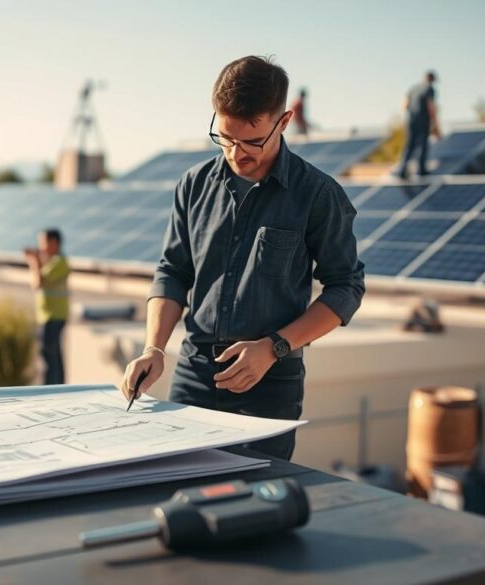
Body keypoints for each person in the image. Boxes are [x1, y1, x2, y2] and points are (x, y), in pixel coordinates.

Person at [119, 55, 365, 460]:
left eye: (253, 141)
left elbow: (346, 287)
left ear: (283, 123)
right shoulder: (193, 185)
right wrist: (154, 349)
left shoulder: (318, 195)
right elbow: (173, 271)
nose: (237, 153)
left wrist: (274, 347)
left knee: (256, 507)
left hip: (270, 384)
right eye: (225, 138)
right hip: (195, 373)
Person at [24, 229, 70, 385]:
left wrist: (33, 262)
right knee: (54, 356)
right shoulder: (52, 261)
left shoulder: (59, 262)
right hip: (50, 315)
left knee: (49, 357)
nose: (40, 247)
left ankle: (50, 388)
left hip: (53, 317)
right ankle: (58, 386)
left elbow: (37, 283)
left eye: (43, 242)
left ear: (53, 243)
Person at [395, 70, 442, 179]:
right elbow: (431, 107)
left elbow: (404, 105)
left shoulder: (413, 88)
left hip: (411, 120)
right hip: (423, 120)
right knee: (423, 145)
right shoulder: (429, 89)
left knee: (410, 145)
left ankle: (402, 170)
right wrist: (435, 125)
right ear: (431, 79)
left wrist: (412, 112)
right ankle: (421, 170)